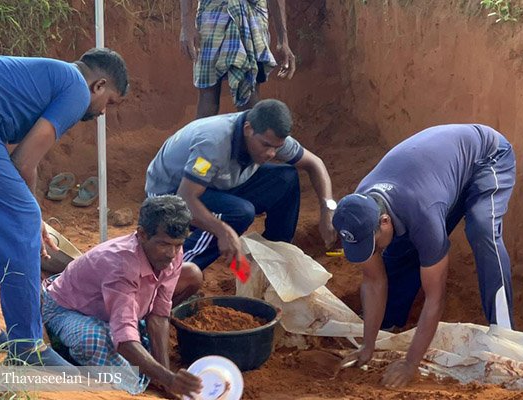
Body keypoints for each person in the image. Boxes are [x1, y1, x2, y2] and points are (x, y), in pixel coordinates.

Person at [0, 48, 128, 366]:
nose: (103, 112)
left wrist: (33, 210)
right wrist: (33, 216)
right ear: (99, 84)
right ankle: (26, 347)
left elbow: (28, 158)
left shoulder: (47, 78)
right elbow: (22, 161)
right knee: (21, 220)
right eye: (110, 101)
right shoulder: (76, 88)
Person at [332, 124, 517, 388]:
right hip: (437, 179)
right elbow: (373, 281)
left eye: (371, 246)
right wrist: (367, 345)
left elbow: (435, 298)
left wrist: (410, 364)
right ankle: (390, 324)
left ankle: (505, 332)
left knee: (481, 228)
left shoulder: (423, 214)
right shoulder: (359, 211)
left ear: (384, 221)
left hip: (486, 157)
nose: (370, 254)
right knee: (398, 254)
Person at [145, 99, 336, 270]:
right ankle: (178, 270)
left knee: (285, 179)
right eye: (266, 145)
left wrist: (327, 209)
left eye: (276, 148)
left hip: (214, 182)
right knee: (239, 213)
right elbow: (185, 197)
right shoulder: (213, 143)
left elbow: (315, 164)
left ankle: (273, 262)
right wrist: (223, 231)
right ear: (247, 129)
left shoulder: (270, 136)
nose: (271, 154)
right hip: (169, 194)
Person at [42, 195, 203, 397]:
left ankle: (149, 370)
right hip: (66, 309)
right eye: (164, 244)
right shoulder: (121, 265)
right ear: (142, 234)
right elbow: (124, 338)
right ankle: (61, 344)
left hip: (112, 306)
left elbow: (159, 314)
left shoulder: (172, 254)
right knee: (95, 341)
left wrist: (165, 376)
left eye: (177, 245)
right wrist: (168, 379)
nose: (171, 254)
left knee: (192, 274)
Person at [179, 0, 296, 118]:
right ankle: (202, 136)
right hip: (213, 11)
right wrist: (186, 25)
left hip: (251, 14)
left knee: (250, 91)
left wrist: (283, 40)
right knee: (208, 95)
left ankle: (251, 133)